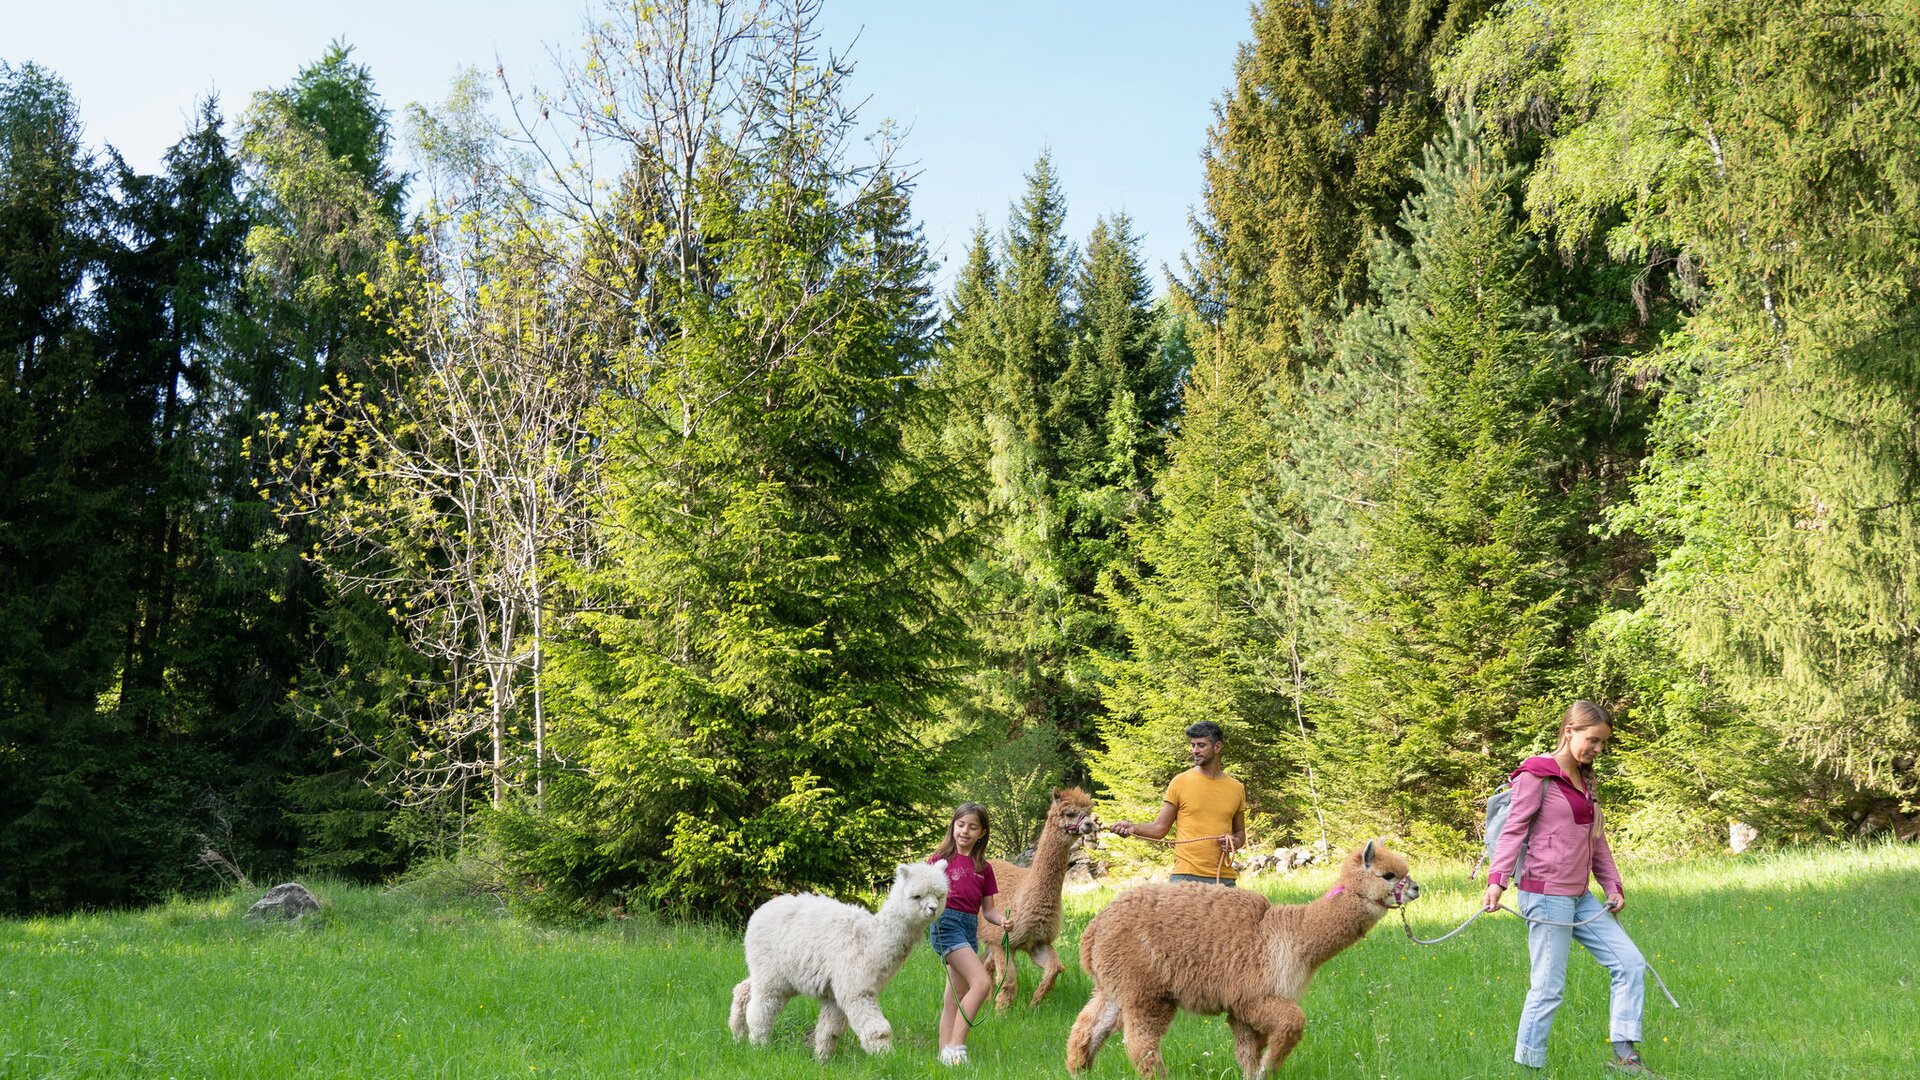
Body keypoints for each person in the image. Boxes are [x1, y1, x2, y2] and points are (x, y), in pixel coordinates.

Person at [1482, 701, 1654, 1076]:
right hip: (1544, 894)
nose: (1598, 749)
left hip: (1580, 897)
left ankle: (1625, 1058)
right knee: (1547, 988)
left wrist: (1612, 885)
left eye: (1603, 743)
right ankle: (1527, 1066)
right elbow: (1513, 830)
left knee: (1630, 963)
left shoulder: (1585, 779)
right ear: (1568, 732)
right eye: (1592, 740)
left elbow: (1598, 841)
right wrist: (1498, 881)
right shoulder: (1537, 774)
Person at [1108, 721, 1247, 885]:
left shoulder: (1236, 788)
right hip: (1186, 878)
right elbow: (1159, 828)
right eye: (1193, 745)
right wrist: (1132, 828)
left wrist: (1235, 842)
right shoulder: (1180, 782)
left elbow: (1240, 833)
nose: (1195, 750)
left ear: (1217, 747)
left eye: (1201, 745)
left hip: (1223, 878)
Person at [926, 802, 1007, 1067]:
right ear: (953, 826)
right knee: (982, 984)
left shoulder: (984, 868)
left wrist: (1003, 921)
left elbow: (989, 910)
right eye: (960, 825)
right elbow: (922, 896)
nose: (965, 831)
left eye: (972, 827)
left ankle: (943, 1059)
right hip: (946, 924)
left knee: (954, 998)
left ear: (982, 832)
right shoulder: (938, 860)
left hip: (969, 927)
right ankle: (956, 1049)